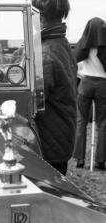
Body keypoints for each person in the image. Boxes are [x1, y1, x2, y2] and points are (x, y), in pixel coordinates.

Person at [32, 0, 77, 175]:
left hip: (48, 142)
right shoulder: (61, 43)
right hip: (61, 135)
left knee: (49, 194)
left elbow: (33, 103)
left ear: (39, 16)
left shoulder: (44, 53)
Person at [73, 17, 106, 170]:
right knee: (103, 124)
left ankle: (80, 159)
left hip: (85, 84)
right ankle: (100, 161)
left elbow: (74, 59)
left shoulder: (83, 42)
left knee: (81, 122)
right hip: (103, 85)